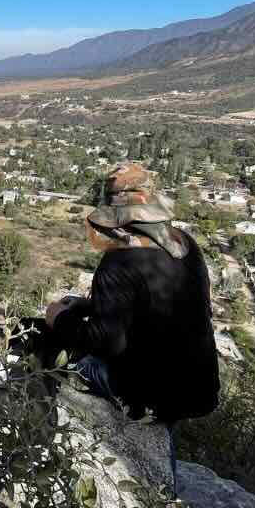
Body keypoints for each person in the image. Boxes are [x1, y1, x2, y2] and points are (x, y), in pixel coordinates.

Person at [21, 163, 219, 424]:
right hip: (198, 390)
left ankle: (37, 429)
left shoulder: (118, 264)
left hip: (151, 397)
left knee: (39, 339)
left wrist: (58, 317)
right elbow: (155, 307)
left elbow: (104, 343)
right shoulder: (185, 244)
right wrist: (90, 306)